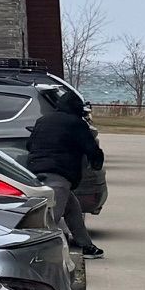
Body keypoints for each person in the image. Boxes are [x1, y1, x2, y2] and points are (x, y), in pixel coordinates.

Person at [28, 87, 106, 257]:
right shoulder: (76, 124)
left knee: (72, 209)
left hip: (35, 172)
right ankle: (37, 255)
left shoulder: (43, 120)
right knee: (51, 220)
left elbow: (29, 145)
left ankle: (86, 245)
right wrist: (96, 162)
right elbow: (91, 148)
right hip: (59, 174)